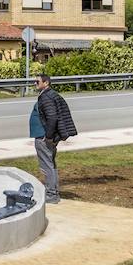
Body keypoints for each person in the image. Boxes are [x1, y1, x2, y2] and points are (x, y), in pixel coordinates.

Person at [31, 73, 76, 205]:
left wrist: (49, 136)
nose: (35, 84)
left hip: (44, 137)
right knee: (51, 164)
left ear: (46, 83)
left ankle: (51, 194)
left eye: (37, 82)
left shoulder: (46, 98)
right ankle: (53, 192)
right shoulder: (50, 95)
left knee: (47, 166)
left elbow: (52, 118)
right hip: (46, 136)